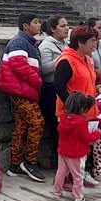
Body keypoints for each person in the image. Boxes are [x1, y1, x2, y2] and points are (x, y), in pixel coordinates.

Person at [0, 14, 45, 182]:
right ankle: (29, 161)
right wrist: (38, 81)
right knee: (37, 123)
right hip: (21, 91)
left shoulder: (28, 42)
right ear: (26, 26)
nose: (39, 25)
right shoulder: (19, 42)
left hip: (22, 91)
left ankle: (15, 164)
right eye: (36, 22)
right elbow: (19, 65)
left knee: (21, 126)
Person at [53, 93, 96, 201]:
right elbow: (87, 138)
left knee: (60, 173)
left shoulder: (63, 119)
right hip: (77, 154)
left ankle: (57, 191)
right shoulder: (81, 123)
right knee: (78, 176)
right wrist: (98, 133)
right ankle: (78, 196)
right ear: (83, 108)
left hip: (63, 151)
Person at [38, 15, 70, 161]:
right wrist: (62, 57)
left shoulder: (66, 44)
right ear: (53, 29)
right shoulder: (46, 45)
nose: (67, 28)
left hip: (66, 87)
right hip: (51, 89)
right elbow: (44, 69)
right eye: (62, 26)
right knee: (56, 127)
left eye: (67, 25)